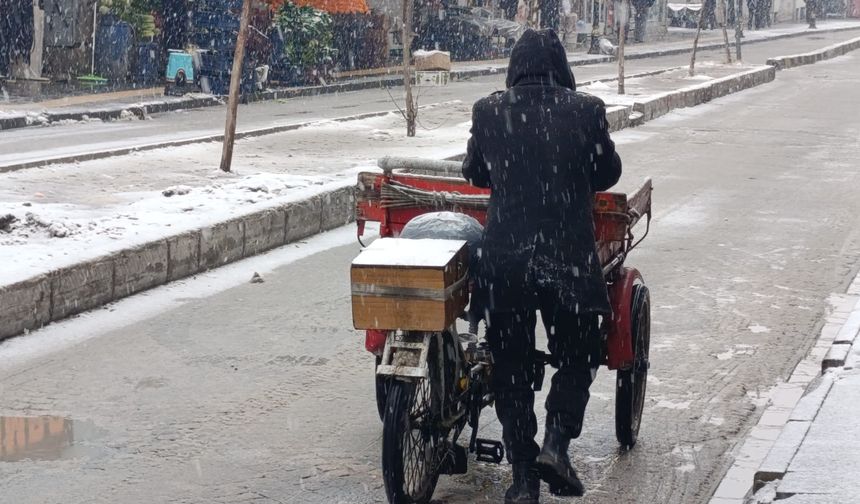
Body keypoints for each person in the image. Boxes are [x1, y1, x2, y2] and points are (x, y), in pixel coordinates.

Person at [462, 29, 622, 504]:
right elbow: (608, 173)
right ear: (561, 66)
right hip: (567, 258)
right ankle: (556, 443)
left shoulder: (489, 111)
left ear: (515, 65)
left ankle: (523, 479)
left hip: (506, 261)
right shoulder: (585, 111)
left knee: (509, 365)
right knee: (578, 353)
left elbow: (475, 173)